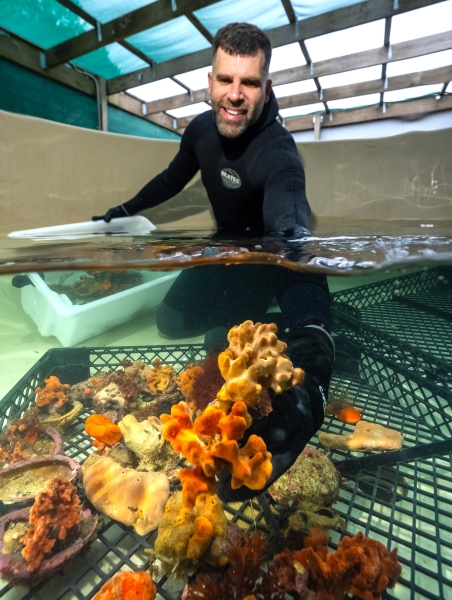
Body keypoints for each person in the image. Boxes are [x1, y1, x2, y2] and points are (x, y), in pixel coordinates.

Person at [93, 23, 334, 502]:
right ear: (209, 81)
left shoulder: (279, 157)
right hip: (224, 256)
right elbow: (169, 180)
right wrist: (120, 213)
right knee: (170, 321)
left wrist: (314, 356)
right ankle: (257, 329)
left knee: (273, 288)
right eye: (226, 80)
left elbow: (291, 237)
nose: (235, 94)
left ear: (266, 89)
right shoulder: (201, 130)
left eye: (248, 83)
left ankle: (290, 332)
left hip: (268, 263)